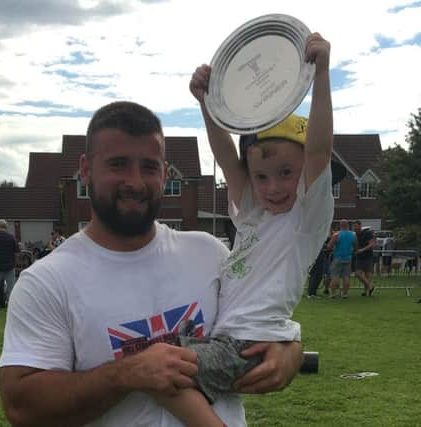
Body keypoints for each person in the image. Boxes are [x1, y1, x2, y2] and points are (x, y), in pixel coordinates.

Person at [0, 101, 303, 427]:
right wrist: (127, 373)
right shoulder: (47, 280)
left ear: (165, 172)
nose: (136, 182)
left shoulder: (208, 253)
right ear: (86, 169)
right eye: (118, 164)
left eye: (149, 167)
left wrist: (291, 353)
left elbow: (260, 323)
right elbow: (21, 407)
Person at [156, 32, 333, 427]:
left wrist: (322, 72)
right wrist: (207, 102)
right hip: (225, 338)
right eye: (262, 176)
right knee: (163, 361)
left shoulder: (303, 221)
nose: (273, 187)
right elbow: (224, 154)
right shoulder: (251, 215)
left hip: (250, 343)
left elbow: (320, 148)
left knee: (162, 375)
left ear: (305, 173)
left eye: (287, 173)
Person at [327, 219, 357, 299]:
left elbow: (329, 246)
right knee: (346, 277)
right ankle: (345, 294)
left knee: (335, 276)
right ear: (348, 225)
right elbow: (355, 245)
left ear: (340, 225)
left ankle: (333, 293)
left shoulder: (337, 234)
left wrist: (332, 245)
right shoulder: (353, 234)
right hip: (348, 258)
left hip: (338, 257)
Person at [353, 220, 375, 296]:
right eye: (353, 226)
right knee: (357, 274)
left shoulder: (368, 233)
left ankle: (366, 292)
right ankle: (370, 286)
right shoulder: (354, 234)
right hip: (359, 257)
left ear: (360, 226)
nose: (354, 228)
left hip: (368, 256)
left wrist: (362, 249)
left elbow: (372, 244)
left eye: (356, 226)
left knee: (367, 275)